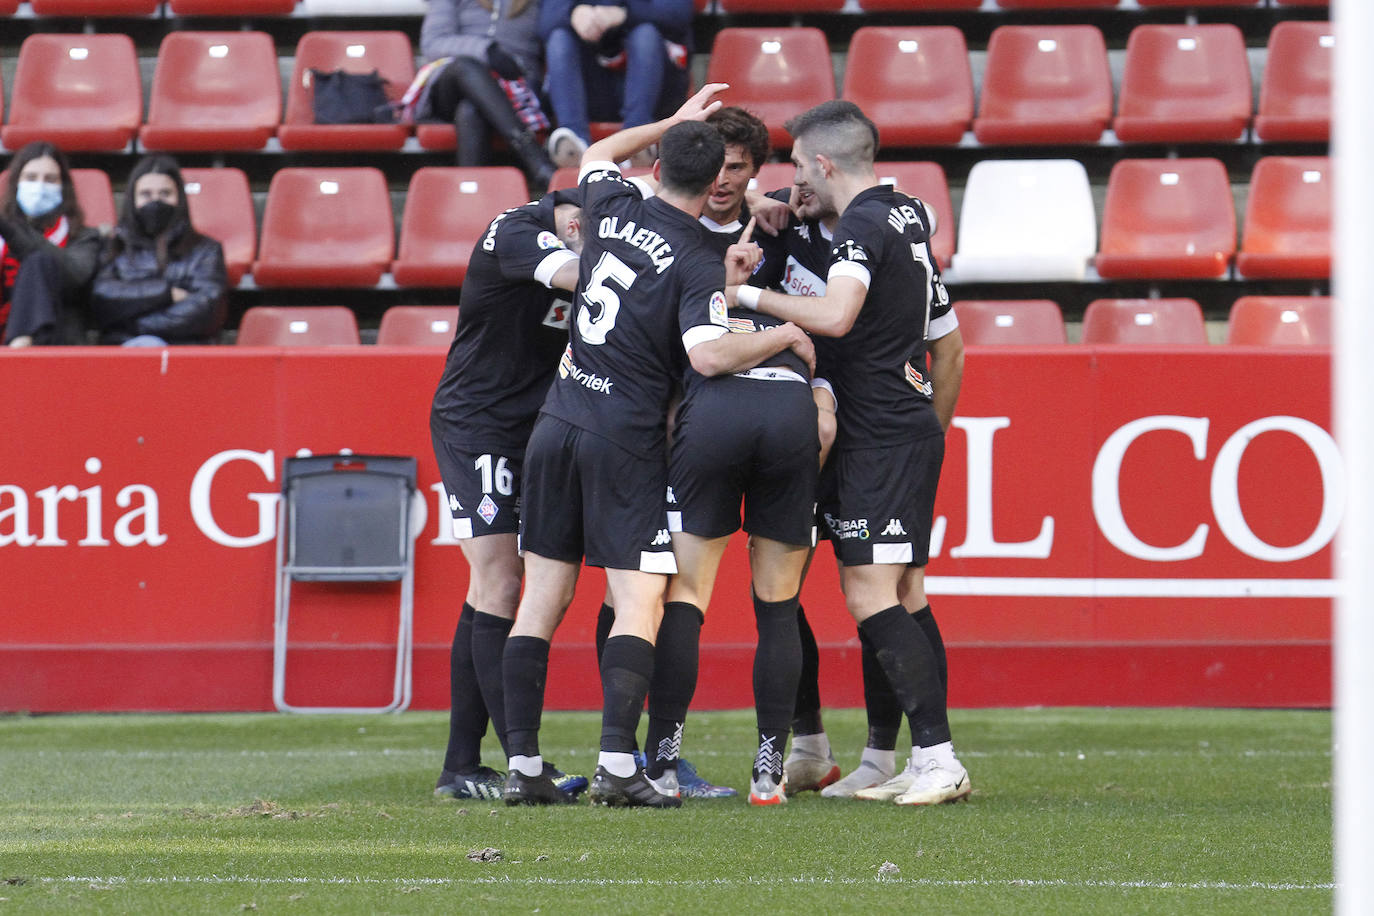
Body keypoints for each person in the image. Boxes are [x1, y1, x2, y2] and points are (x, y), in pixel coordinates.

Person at [499, 83, 808, 808]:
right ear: (715, 184)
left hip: (557, 420)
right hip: (623, 437)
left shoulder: (610, 204)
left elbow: (601, 152)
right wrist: (784, 334)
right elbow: (705, 355)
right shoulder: (702, 252)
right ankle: (617, 764)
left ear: (661, 162)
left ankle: (521, 767)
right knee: (641, 599)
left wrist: (673, 120)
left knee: (540, 599)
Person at [726, 100, 971, 807]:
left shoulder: (864, 224)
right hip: (891, 428)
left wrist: (745, 292)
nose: (793, 179)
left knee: (873, 594)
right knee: (899, 594)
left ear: (825, 163)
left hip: (881, 433)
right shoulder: (904, 215)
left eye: (800, 166)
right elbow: (941, 336)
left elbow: (835, 316)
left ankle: (937, 757)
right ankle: (887, 758)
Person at [429, 186, 589, 801]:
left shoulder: (576, 232)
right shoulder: (518, 230)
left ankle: (462, 767)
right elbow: (576, 274)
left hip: (533, 425)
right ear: (573, 220)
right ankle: (524, 762)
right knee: (500, 579)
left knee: (491, 587)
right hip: (479, 423)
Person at [414, 0, 557, 190]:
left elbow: (544, 48)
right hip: (453, 83)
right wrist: (487, 51)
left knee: (471, 110)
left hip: (515, 87)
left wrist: (516, 67)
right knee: (467, 67)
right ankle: (534, 158)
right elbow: (433, 44)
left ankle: (473, 201)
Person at [89, 155, 226, 347]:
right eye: (146, 194)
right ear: (132, 200)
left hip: (186, 350)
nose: (155, 201)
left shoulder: (206, 250)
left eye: (165, 194)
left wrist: (133, 323)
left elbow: (206, 308)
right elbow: (103, 297)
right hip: (123, 351)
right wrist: (165, 293)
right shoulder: (114, 246)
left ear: (179, 199)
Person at [539, 0, 694, 169]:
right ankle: (573, 141)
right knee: (559, 38)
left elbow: (679, 15)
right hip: (592, 88)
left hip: (654, 89)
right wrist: (572, 13)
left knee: (645, 33)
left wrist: (624, 13)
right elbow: (544, 23)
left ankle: (637, 139)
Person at [0, 141, 102, 348]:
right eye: (31, 178)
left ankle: (21, 346)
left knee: (40, 261)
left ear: (63, 188)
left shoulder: (84, 237)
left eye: (50, 179)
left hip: (54, 343)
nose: (39, 186)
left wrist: (10, 228)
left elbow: (75, 276)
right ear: (16, 183)